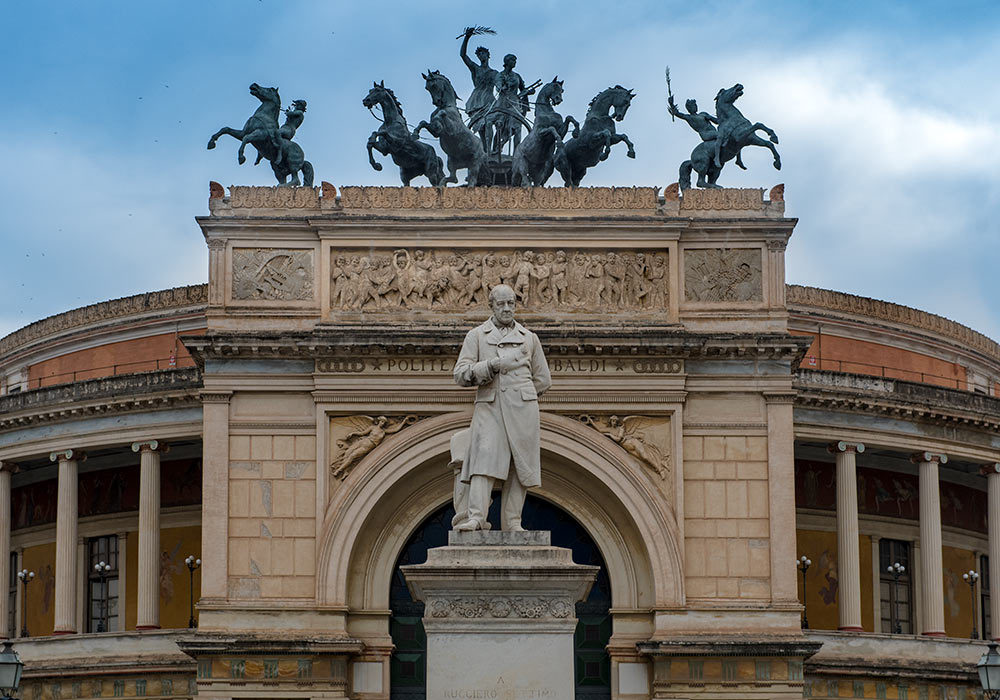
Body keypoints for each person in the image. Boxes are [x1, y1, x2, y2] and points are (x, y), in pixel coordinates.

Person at [453, 284, 551, 531]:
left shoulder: (529, 338)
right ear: (491, 306)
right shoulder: (476, 336)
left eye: (511, 304)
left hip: (523, 410)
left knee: (521, 466)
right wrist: (492, 366)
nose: (507, 309)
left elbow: (543, 379)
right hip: (490, 407)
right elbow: (461, 374)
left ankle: (513, 522)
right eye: (501, 304)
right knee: (482, 460)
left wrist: (520, 394)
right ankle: (476, 517)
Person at [460, 28, 499, 153]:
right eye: (479, 54)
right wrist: (467, 38)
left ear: (488, 55)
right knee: (481, 129)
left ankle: (490, 149)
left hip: (489, 99)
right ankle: (485, 150)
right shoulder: (475, 69)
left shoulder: (494, 73)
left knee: (488, 123)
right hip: (477, 99)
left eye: (483, 53)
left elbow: (499, 85)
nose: (481, 56)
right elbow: (463, 55)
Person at [668, 96, 722, 168]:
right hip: (705, 134)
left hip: (713, 131)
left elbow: (717, 121)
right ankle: (717, 158)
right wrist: (671, 104)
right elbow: (678, 114)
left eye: (695, 105)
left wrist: (711, 118)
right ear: (689, 108)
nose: (695, 107)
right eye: (693, 106)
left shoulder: (703, 114)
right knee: (720, 135)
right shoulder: (689, 117)